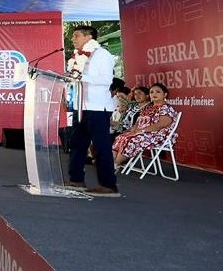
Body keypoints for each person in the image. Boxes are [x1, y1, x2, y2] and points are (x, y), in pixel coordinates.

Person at [65, 25, 119, 197]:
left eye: (76, 36)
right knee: (77, 143)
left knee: (101, 146)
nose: (73, 39)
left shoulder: (102, 54)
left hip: (98, 108)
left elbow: (106, 80)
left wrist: (82, 77)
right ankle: (76, 180)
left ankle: (108, 185)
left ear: (89, 37)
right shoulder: (76, 57)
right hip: (81, 105)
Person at [112, 82, 178, 170]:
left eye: (157, 92)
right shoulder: (148, 107)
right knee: (121, 137)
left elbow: (162, 124)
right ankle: (112, 163)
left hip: (158, 135)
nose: (154, 94)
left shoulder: (166, 108)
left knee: (132, 140)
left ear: (165, 94)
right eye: (151, 92)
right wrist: (134, 129)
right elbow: (138, 121)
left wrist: (142, 130)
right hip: (144, 133)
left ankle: (116, 164)